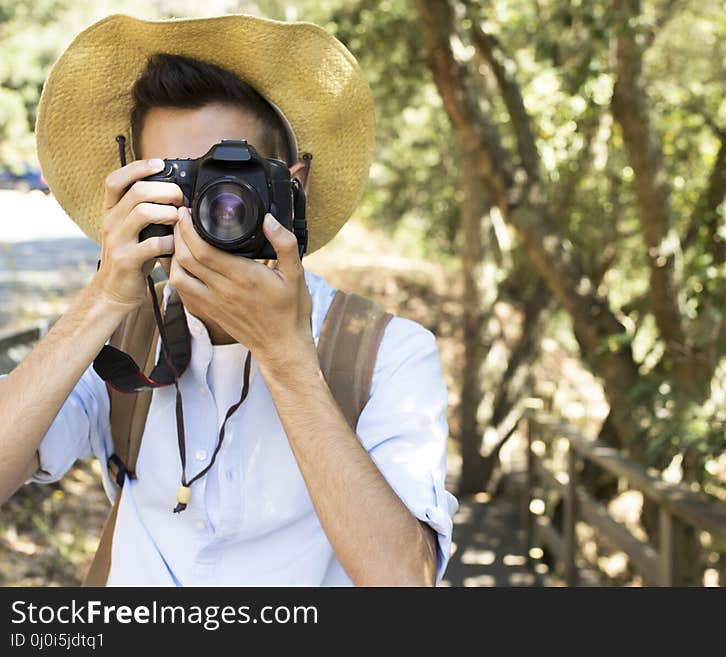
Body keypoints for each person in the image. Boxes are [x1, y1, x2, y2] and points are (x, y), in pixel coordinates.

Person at [0, 14, 457, 586]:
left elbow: (404, 585)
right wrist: (102, 301)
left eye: (231, 178)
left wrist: (287, 358)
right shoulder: (119, 339)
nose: (211, 211)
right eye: (178, 183)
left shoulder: (388, 354)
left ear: (294, 187)